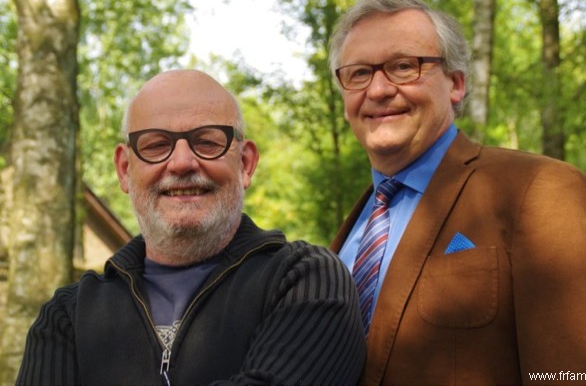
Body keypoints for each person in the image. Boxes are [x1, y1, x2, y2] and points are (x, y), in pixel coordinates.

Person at [329, 0, 586, 385]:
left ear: (456, 84)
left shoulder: (538, 190)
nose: (378, 90)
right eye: (358, 74)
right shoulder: (353, 233)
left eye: (403, 67)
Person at [17, 69, 366, 385]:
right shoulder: (68, 317)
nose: (182, 163)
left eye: (207, 142)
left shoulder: (308, 281)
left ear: (245, 163)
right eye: (156, 145)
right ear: (125, 169)